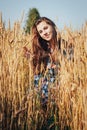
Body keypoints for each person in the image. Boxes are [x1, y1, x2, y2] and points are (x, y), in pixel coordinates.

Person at [30, 17, 61, 109]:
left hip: (59, 100)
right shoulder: (41, 50)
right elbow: (37, 79)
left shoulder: (65, 47)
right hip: (40, 100)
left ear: (52, 26)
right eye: (41, 32)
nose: (44, 33)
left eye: (45, 28)